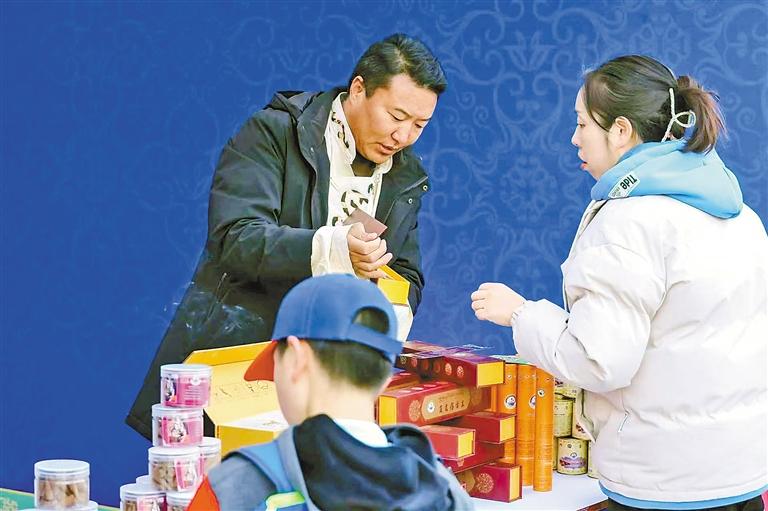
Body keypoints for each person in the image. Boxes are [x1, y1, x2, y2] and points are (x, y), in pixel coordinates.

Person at [471, 55, 767, 510]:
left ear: (621, 131)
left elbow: (599, 361)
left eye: (582, 124)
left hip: (663, 483)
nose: (574, 138)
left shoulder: (630, 221)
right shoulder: (742, 216)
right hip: (742, 474)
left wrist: (521, 314)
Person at [126, 34, 447, 440]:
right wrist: (335, 248)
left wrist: (377, 338)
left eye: (419, 125)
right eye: (396, 116)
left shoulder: (404, 175)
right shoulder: (275, 132)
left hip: (331, 384)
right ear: (359, 89)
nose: (403, 136)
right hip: (237, 365)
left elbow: (406, 275)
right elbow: (236, 237)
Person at [187, 274, 474, 511]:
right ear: (385, 380)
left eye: (275, 367)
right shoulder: (445, 489)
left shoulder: (233, 487)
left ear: (296, 358)